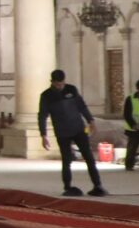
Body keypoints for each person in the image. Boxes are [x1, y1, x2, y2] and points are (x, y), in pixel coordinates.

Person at [39, 68, 106, 197]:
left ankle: (97, 185)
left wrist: (91, 120)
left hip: (78, 129)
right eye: (57, 84)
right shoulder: (46, 95)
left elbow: (81, 106)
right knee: (66, 160)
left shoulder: (71, 89)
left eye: (62, 84)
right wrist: (43, 135)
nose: (60, 86)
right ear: (52, 82)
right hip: (62, 132)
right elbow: (42, 115)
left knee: (89, 157)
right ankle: (68, 187)